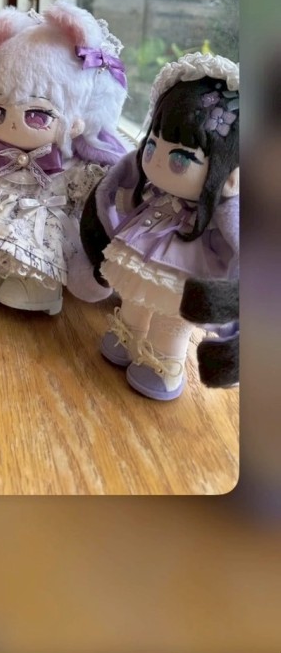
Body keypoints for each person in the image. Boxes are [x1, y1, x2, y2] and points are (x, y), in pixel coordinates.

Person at [0, 1, 129, 314]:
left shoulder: (69, 165)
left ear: (77, 120)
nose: (12, 124)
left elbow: (89, 192)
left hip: (45, 220)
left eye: (37, 115)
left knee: (40, 247)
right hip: (1, 208)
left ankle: (38, 286)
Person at [80, 52, 239, 400]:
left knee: (172, 316)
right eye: (152, 145)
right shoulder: (152, 191)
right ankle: (129, 333)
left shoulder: (224, 213)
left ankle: (164, 361)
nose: (157, 161)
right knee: (134, 295)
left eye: (182, 157)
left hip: (189, 266)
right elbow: (117, 197)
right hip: (144, 242)